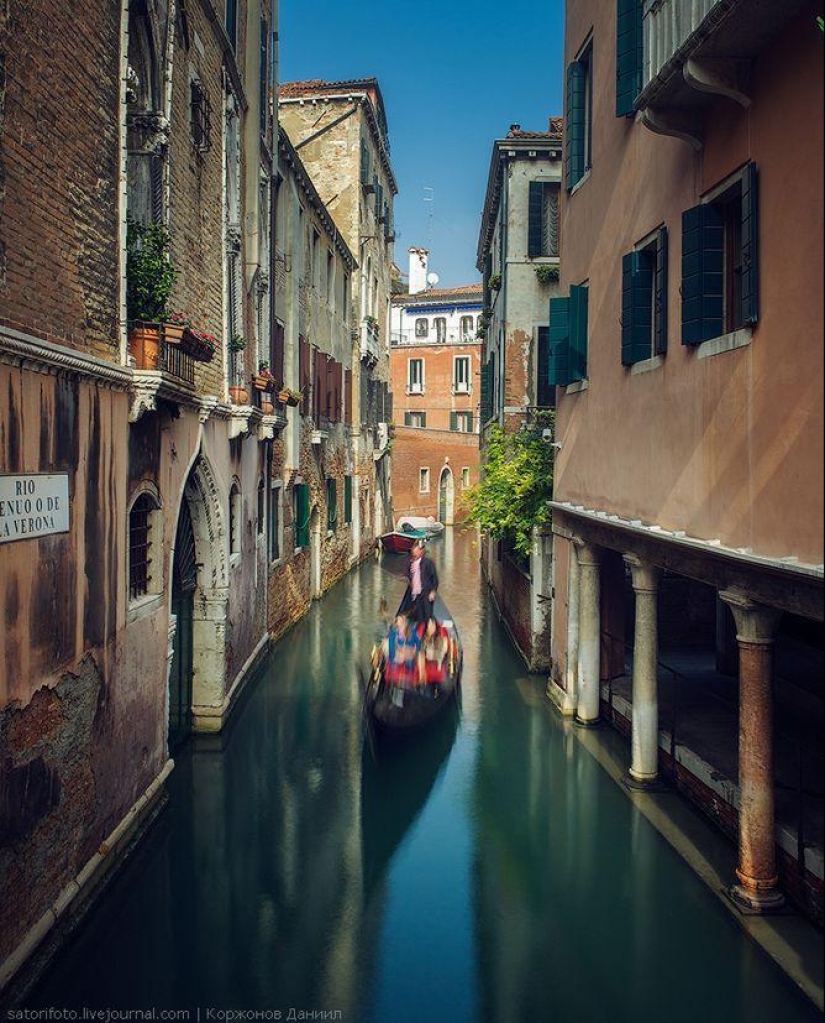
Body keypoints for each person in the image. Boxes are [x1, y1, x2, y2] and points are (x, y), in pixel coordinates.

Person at [405, 539, 439, 627]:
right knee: (419, 616)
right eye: (413, 552)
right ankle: (420, 632)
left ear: (421, 552)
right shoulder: (410, 564)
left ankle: (431, 633)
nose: (414, 554)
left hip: (426, 593)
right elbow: (409, 576)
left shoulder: (428, 563)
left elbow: (435, 579)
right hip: (415, 594)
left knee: (427, 616)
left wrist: (433, 591)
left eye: (416, 552)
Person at [383, 613, 421, 687]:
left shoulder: (412, 631)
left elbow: (419, 644)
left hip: (409, 655)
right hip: (397, 656)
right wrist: (395, 657)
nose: (400, 624)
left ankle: (410, 679)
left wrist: (413, 650)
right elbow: (391, 648)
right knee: (394, 665)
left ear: (405, 622)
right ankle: (393, 682)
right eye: (399, 621)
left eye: (402, 621)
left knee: (409, 661)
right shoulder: (393, 632)